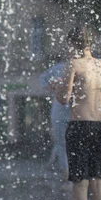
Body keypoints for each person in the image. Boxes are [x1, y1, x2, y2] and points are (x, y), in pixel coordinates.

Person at [56, 24, 101, 200]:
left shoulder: (73, 64)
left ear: (72, 43)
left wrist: (57, 86)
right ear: (90, 42)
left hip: (80, 125)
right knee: (98, 181)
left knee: (80, 183)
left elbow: (64, 98)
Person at [40, 55, 71, 188]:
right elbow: (43, 79)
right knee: (63, 144)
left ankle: (67, 173)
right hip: (66, 111)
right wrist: (51, 87)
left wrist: (49, 87)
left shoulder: (62, 68)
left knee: (63, 144)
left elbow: (42, 79)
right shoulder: (60, 68)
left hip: (66, 112)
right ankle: (67, 173)